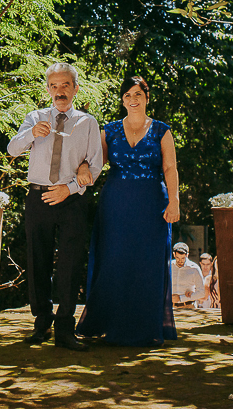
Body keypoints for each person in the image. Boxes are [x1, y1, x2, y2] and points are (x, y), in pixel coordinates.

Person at [76, 75, 180, 345]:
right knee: (115, 260)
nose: (133, 100)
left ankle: (145, 328)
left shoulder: (161, 130)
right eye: (127, 96)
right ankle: (111, 324)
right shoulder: (109, 130)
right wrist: (84, 168)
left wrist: (175, 200)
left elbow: (170, 168)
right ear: (122, 100)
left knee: (148, 263)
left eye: (138, 95)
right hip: (116, 205)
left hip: (152, 205)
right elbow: (94, 164)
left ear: (147, 97)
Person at [8, 62, 102, 351]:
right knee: (37, 260)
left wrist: (69, 189)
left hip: (72, 199)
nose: (59, 91)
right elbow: (12, 149)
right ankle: (41, 322)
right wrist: (30, 134)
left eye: (65, 85)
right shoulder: (34, 117)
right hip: (38, 197)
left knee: (71, 264)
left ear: (75, 88)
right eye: (54, 86)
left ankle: (65, 329)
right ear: (47, 89)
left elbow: (95, 166)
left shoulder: (88, 123)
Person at [170, 242, 204, 308]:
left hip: (189, 306)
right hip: (171, 307)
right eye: (177, 258)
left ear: (187, 255)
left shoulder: (194, 268)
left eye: (183, 258)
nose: (180, 261)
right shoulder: (169, 266)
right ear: (174, 254)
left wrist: (181, 298)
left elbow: (202, 292)